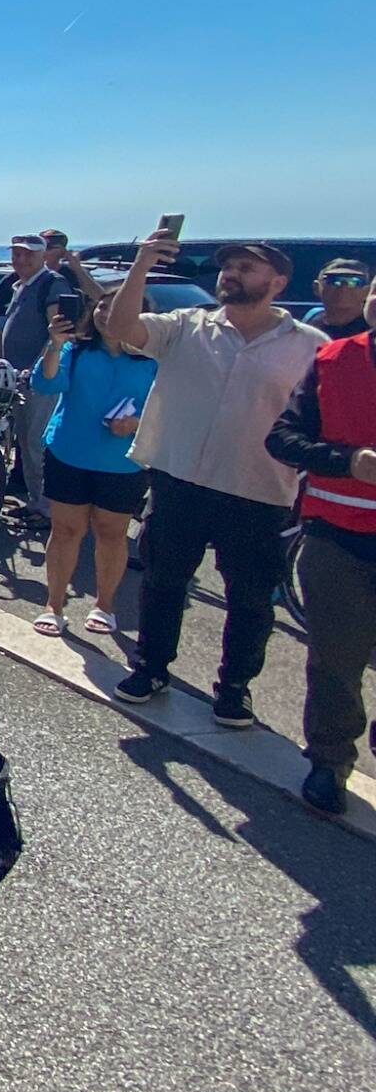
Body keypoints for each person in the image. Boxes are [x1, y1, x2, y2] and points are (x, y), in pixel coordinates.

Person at [109, 235, 325, 724]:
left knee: (249, 600)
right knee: (163, 583)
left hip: (258, 491)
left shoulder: (311, 348)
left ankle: (234, 687)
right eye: (229, 267)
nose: (233, 274)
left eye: (247, 268)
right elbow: (120, 327)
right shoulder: (187, 327)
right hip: (179, 479)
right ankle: (152, 667)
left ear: (278, 282)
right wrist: (141, 264)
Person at [266, 273, 376, 815]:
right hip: (338, 539)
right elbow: (283, 439)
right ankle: (330, 763)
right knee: (336, 661)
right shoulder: (332, 360)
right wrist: (347, 461)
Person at [28, 293, 157, 637]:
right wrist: (54, 345)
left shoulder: (153, 358)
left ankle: (105, 605)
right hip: (70, 452)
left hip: (124, 460)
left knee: (111, 532)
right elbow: (45, 383)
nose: (106, 313)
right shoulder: (77, 349)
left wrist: (136, 422)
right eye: (101, 306)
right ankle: (54, 605)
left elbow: (169, 407)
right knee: (66, 531)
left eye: (118, 306)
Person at [0, 235, 72, 517]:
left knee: (35, 442)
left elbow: (59, 332)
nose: (21, 260)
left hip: (41, 378)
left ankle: (46, 507)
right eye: (16, 254)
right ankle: (36, 501)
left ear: (43, 256)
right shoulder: (20, 285)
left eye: (28, 255)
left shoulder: (52, 284)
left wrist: (39, 367)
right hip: (18, 376)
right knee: (26, 440)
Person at [304, 258, 371, 340]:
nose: (343, 288)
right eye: (333, 281)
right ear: (316, 288)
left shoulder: (372, 328)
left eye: (354, 282)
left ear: (367, 291)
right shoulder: (312, 319)